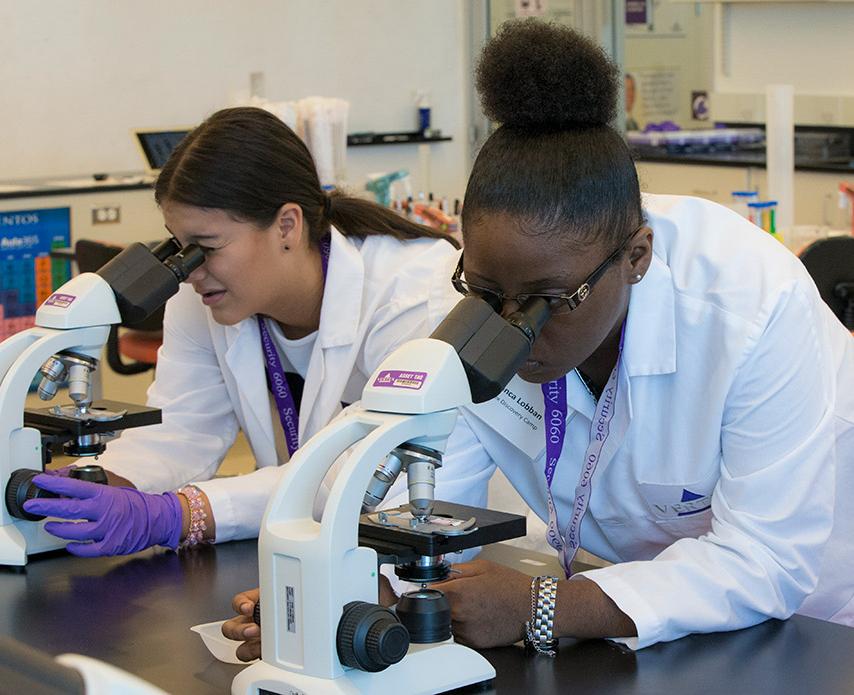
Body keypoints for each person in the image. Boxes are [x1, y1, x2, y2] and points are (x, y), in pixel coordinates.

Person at [223, 20, 853, 659]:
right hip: (625, 609)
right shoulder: (480, 303)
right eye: (488, 292)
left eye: (550, 302)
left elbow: (765, 559)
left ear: (636, 256)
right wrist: (343, 597)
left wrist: (541, 605)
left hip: (810, 616)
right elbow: (439, 508)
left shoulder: (749, 304)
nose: (512, 328)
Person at [23, 107, 490, 554]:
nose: (189, 270)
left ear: (287, 224)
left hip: (451, 549)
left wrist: (183, 514)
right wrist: (98, 486)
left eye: (206, 246)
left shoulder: (411, 294)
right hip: (303, 537)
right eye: (180, 246)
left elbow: (363, 473)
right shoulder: (200, 294)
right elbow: (182, 431)